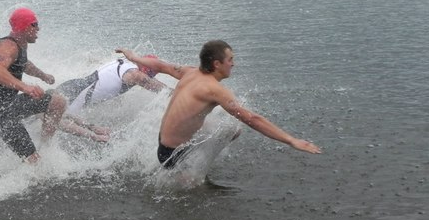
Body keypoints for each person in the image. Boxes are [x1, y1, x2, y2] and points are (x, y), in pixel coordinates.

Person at [116, 42, 321, 169]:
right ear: (217, 64)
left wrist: (133, 57)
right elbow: (252, 119)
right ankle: (194, 166)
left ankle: (191, 153)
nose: (233, 63)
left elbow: (160, 65)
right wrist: (291, 140)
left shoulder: (189, 72)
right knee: (192, 186)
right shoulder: (214, 90)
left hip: (163, 144)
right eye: (230, 59)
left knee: (232, 129)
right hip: (173, 156)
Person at [0, 7, 67, 163]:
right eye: (35, 24)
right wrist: (26, 87)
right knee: (33, 160)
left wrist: (43, 75)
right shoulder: (8, 46)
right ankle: (31, 169)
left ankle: (46, 147)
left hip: (10, 105)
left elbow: (24, 64)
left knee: (57, 102)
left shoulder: (19, 45)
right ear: (24, 27)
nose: (38, 28)